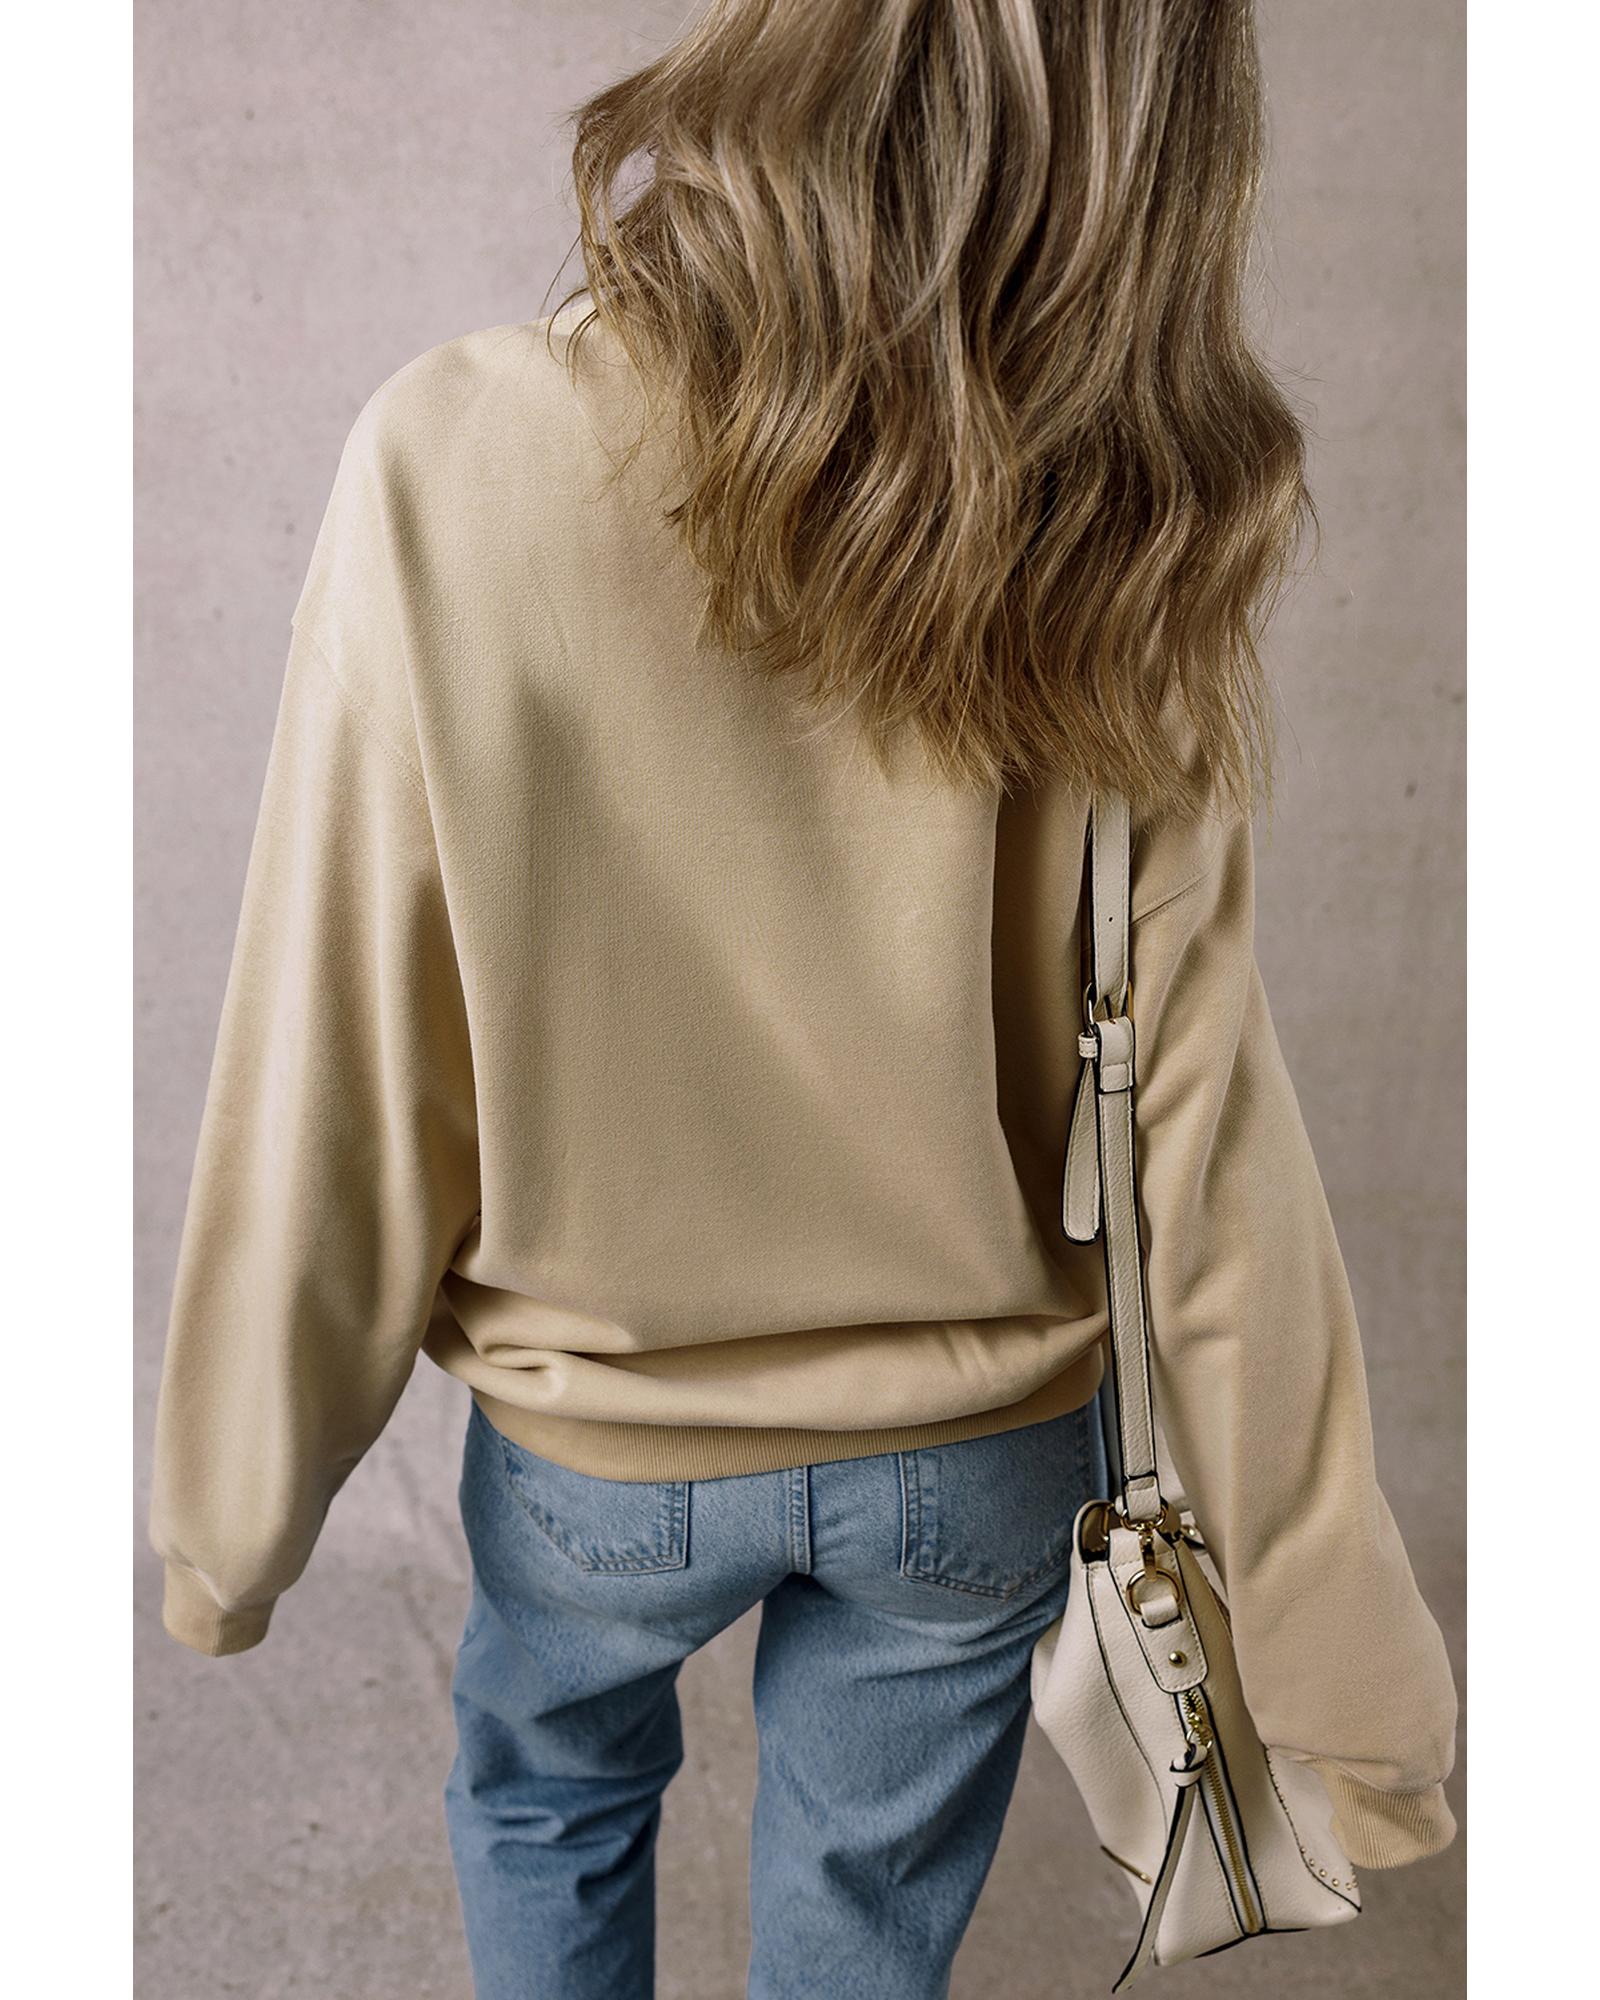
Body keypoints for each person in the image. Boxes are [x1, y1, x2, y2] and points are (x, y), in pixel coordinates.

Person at [147, 2, 1460, 1995]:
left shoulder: (454, 449)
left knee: (548, 1794)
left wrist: (229, 1520)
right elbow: (1205, 1145)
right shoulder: (1131, 527)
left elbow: (340, 1041)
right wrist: (1346, 1686)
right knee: (858, 1914)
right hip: (974, 1453)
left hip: (599, 1439)